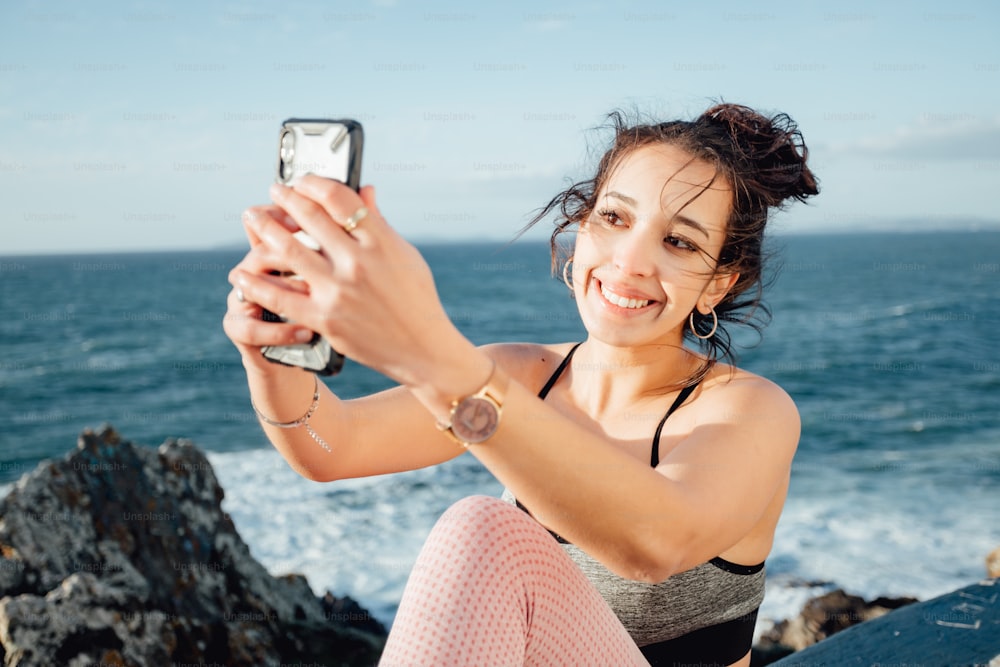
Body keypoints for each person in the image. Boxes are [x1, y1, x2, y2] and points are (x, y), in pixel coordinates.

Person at [223, 102, 819, 667]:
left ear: (717, 284)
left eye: (679, 241)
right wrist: (271, 354)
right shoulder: (522, 376)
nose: (630, 260)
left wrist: (426, 351)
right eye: (614, 218)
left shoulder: (750, 410)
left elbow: (653, 543)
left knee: (485, 531)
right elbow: (333, 447)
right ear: (582, 227)